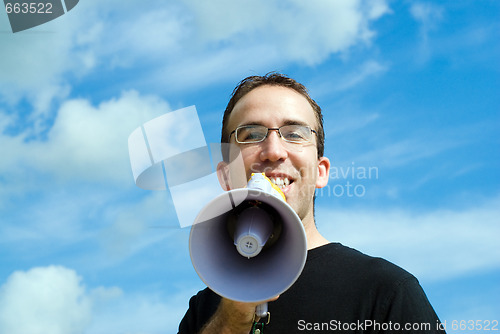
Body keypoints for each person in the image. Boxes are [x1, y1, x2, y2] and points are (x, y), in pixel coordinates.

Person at [178, 73, 445, 333]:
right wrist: (232, 319)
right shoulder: (204, 310)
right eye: (251, 135)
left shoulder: (387, 292)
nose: (273, 151)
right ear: (225, 176)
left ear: (321, 171)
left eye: (294, 134)